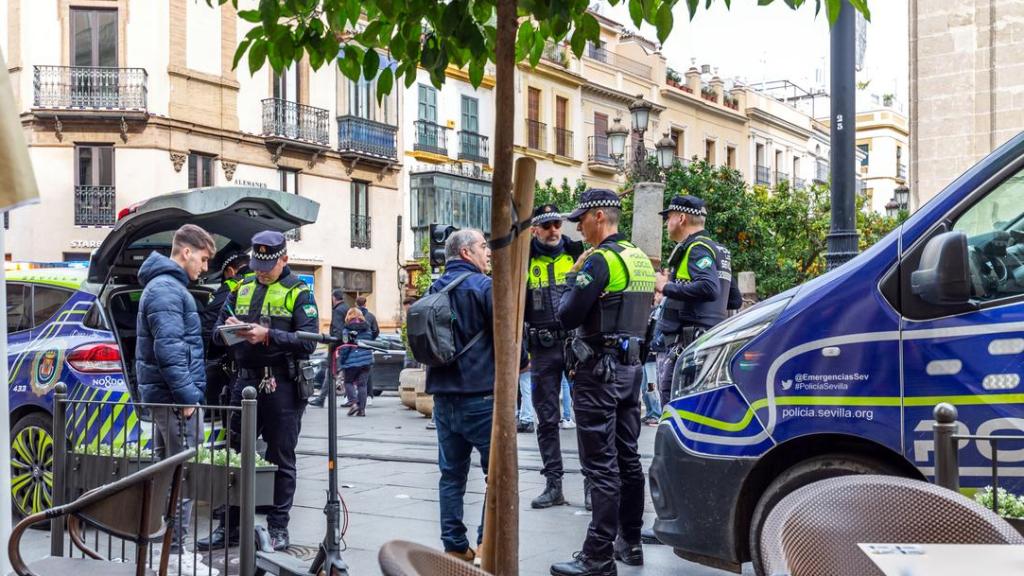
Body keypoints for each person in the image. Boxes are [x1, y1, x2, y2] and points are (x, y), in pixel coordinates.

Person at [553, 189, 655, 576]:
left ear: (599, 216)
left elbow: (567, 314)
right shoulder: (638, 258)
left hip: (598, 372)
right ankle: (630, 542)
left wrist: (572, 274)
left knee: (601, 466)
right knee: (628, 458)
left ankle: (597, 555)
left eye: (581, 219)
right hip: (631, 372)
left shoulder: (599, 260)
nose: (577, 227)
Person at [197, 230, 318, 552]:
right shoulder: (243, 286)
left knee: (281, 456)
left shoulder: (299, 292)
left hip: (283, 385)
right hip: (244, 381)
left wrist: (269, 336)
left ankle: (278, 527)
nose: (261, 270)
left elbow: (309, 341)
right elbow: (216, 336)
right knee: (233, 457)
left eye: (268, 264)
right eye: (257, 263)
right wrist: (231, 331)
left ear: (285, 259)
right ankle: (231, 527)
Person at [425, 228, 505, 563]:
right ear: (465, 253)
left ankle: (455, 545)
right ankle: (488, 544)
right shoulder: (485, 288)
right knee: (496, 475)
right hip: (481, 396)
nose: (488, 253)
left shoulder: (433, 289)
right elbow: (505, 335)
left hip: (443, 396)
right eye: (484, 247)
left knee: (451, 476)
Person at [136, 224, 215, 555]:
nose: (205, 267)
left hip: (166, 397)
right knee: (184, 472)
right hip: (174, 399)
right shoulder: (167, 290)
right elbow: (169, 350)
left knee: (168, 470)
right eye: (204, 258)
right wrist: (187, 398)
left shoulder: (165, 287)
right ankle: (177, 552)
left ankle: (163, 545)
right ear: (187, 252)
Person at [523, 203, 584, 509]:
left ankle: (590, 485)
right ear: (535, 229)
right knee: (546, 419)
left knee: (586, 416)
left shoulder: (577, 253)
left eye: (557, 224)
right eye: (546, 225)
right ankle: (553, 485)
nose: (553, 231)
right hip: (542, 349)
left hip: (575, 346)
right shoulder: (524, 259)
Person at [654, 195, 742, 406]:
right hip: (710, 340)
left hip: (689, 344)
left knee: (676, 408)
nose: (667, 223)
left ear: (682, 218)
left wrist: (665, 287)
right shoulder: (720, 250)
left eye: (669, 217)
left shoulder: (695, 248)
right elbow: (734, 299)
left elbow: (709, 288)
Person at [201, 252, 250, 407]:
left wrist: (206, 355)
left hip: (233, 362)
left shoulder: (231, 286)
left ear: (230, 271)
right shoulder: (265, 284)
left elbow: (207, 323)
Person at [338, 307, 374, 416]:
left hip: (351, 362)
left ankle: (354, 403)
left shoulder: (346, 330)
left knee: (348, 382)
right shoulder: (367, 328)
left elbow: (345, 348)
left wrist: (342, 361)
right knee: (362, 385)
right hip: (366, 361)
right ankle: (362, 410)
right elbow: (370, 342)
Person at [355, 295, 379, 404]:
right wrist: (370, 339)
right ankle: (369, 396)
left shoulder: (352, 315)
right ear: (365, 303)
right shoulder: (371, 316)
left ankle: (349, 396)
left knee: (351, 371)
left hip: (354, 347)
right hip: (367, 347)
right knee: (367, 373)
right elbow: (376, 331)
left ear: (356, 304)